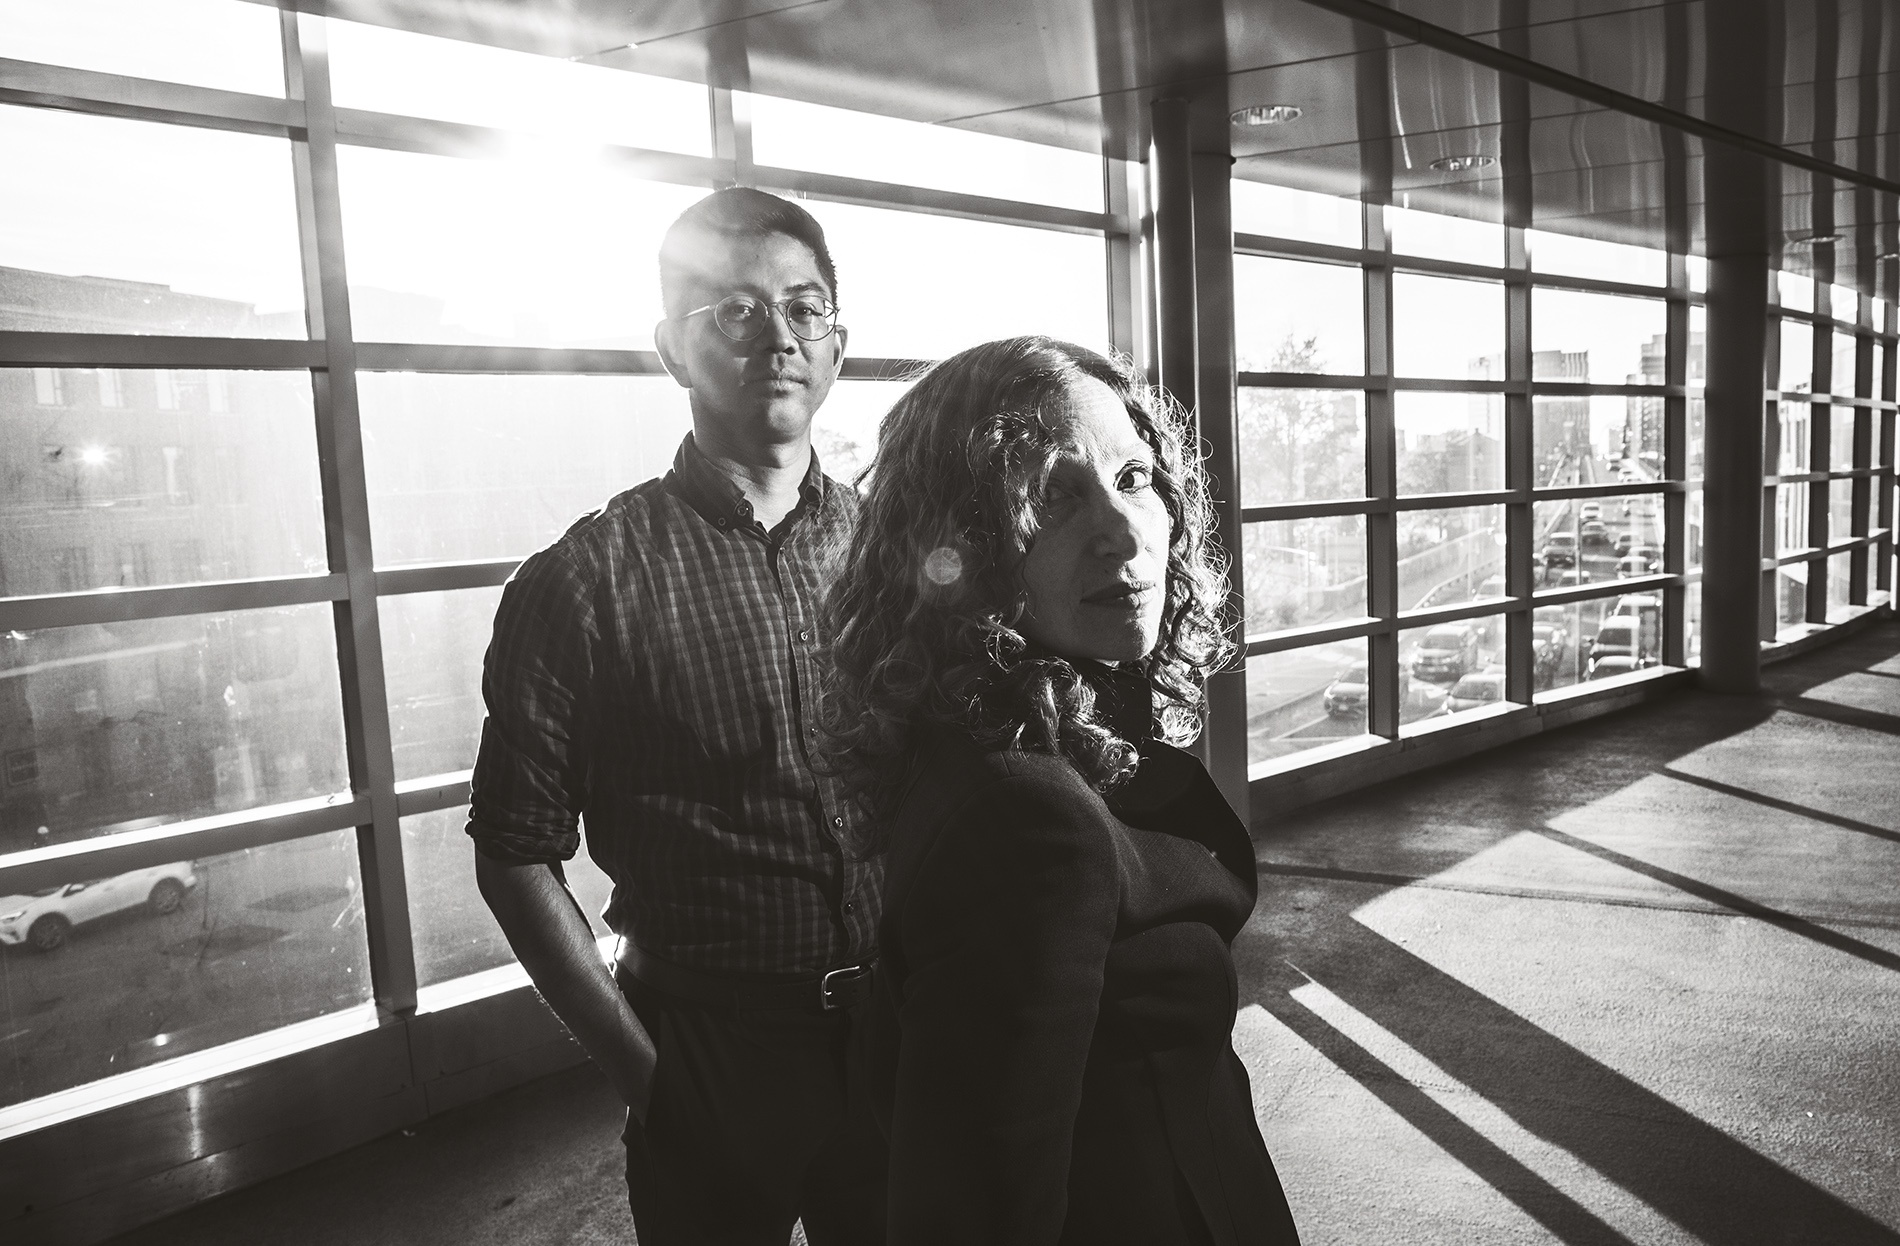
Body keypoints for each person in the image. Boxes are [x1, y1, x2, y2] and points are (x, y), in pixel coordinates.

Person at [468, 187, 885, 1246]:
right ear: (671, 350)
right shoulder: (583, 583)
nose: (779, 337)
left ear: (839, 338)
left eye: (805, 307)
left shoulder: (894, 554)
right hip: (710, 1045)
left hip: (900, 1031)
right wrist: (643, 1072)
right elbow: (515, 852)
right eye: (735, 312)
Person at [823, 336, 1301, 1245]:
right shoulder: (1027, 817)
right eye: (1053, 493)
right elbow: (977, 1216)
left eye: (1134, 480)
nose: (1124, 535)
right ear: (962, 541)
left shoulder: (1010, 735)